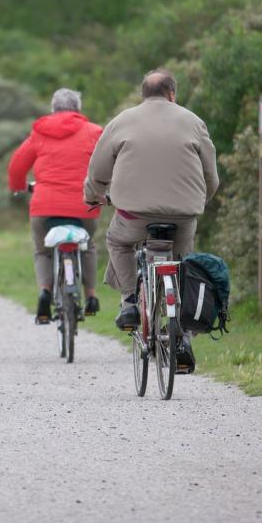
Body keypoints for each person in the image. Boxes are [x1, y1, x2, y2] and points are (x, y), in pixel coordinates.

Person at [83, 69, 219, 339]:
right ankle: (180, 330)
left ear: (142, 95)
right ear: (172, 94)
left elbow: (98, 169)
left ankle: (129, 301)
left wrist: (92, 194)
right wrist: (199, 201)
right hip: (182, 217)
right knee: (180, 262)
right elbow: (211, 176)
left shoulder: (122, 121)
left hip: (134, 216)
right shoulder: (193, 122)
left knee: (118, 242)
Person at [8, 88, 104, 323]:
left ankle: (45, 292)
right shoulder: (94, 132)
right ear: (78, 109)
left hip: (44, 206)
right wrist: (105, 189)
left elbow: (17, 165)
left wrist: (19, 186)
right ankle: (91, 295)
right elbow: (107, 162)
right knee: (88, 245)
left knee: (43, 250)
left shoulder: (39, 133)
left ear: (53, 109)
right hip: (85, 205)